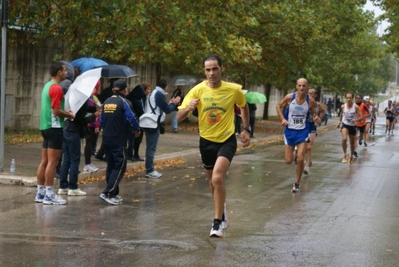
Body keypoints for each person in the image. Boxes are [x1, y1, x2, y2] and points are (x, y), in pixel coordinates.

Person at [177, 54, 250, 238]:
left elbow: (243, 106)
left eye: (215, 68)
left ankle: (217, 223)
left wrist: (245, 128)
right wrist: (188, 108)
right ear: (204, 71)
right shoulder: (197, 91)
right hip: (206, 141)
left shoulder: (233, 90)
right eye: (208, 69)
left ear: (221, 69)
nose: (211, 73)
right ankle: (222, 209)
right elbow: (178, 119)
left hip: (226, 140)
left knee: (218, 178)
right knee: (212, 182)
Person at [35, 61, 75, 205]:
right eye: (64, 70)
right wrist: (69, 115)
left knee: (44, 161)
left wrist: (64, 112)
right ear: (59, 72)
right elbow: (56, 111)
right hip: (54, 127)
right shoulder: (57, 89)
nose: (66, 73)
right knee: (53, 161)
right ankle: (50, 194)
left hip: (45, 126)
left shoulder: (47, 86)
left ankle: (40, 192)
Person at [99, 80, 141, 205]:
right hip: (119, 139)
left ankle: (113, 194)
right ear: (124, 90)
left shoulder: (106, 102)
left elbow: (102, 119)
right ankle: (107, 193)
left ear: (113, 89)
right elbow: (132, 117)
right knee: (120, 166)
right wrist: (137, 129)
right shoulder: (124, 102)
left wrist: (101, 128)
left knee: (111, 166)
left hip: (106, 138)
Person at [276, 78, 320, 193]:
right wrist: (282, 118)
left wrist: (316, 118)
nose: (301, 88)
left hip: (303, 131)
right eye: (299, 85)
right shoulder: (289, 97)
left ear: (307, 87)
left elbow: (314, 113)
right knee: (288, 161)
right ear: (296, 86)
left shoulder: (310, 101)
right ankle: (295, 154)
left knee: (300, 159)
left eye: (304, 86)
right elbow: (278, 106)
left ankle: (297, 183)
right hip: (290, 131)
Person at [58, 86, 101, 196]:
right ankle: (73, 187)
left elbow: (84, 109)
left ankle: (63, 186)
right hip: (73, 131)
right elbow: (82, 120)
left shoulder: (73, 99)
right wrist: (94, 116)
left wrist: (94, 109)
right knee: (74, 160)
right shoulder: (81, 100)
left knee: (67, 159)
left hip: (66, 129)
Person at [143, 79, 181, 178]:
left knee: (150, 148)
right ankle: (150, 171)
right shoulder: (159, 94)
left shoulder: (152, 93)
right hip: (154, 123)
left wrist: (169, 103)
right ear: (165, 86)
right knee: (151, 148)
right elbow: (167, 110)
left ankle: (149, 170)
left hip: (149, 122)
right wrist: (175, 103)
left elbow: (160, 107)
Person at [125, 82, 152, 161]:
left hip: (140, 121)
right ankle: (130, 154)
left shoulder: (142, 98)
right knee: (132, 138)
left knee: (137, 139)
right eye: (147, 89)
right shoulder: (134, 100)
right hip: (134, 121)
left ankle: (135, 154)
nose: (149, 91)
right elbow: (139, 111)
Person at [337, 93, 363, 164]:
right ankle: (345, 155)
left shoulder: (356, 107)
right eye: (347, 98)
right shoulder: (343, 106)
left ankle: (351, 155)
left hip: (353, 126)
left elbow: (361, 117)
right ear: (345, 98)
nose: (348, 99)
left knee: (352, 143)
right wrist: (339, 122)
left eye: (350, 98)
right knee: (344, 138)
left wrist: (356, 120)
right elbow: (341, 114)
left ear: (352, 98)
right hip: (345, 124)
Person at [303, 88, 325, 175]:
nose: (310, 95)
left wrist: (319, 118)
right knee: (302, 147)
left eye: (312, 94)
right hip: (303, 126)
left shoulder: (317, 104)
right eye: (308, 93)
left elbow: (323, 111)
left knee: (308, 147)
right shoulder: (303, 102)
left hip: (312, 126)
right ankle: (308, 159)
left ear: (315, 95)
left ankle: (307, 166)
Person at [83, 80, 102, 172]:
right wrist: (96, 125)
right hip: (91, 124)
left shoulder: (93, 98)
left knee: (90, 144)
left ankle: (88, 163)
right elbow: (94, 113)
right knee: (89, 144)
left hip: (91, 123)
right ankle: (87, 164)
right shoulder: (90, 99)